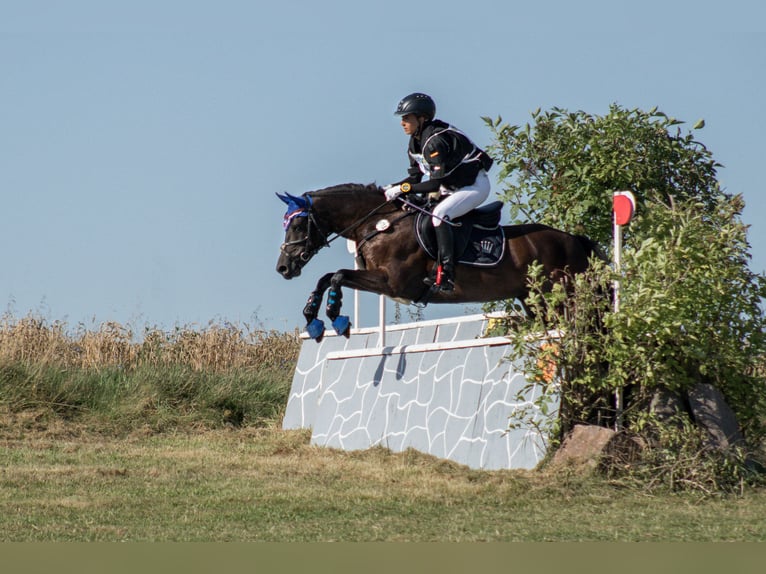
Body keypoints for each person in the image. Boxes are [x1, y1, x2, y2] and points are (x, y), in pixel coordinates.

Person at [384, 92, 493, 291]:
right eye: (402, 118)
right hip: (450, 187)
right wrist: (392, 187)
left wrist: (403, 189)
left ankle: (447, 273)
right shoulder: (414, 143)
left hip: (474, 186)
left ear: (422, 118)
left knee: (439, 215)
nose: (402, 123)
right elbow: (415, 178)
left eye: (407, 118)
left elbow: (434, 184)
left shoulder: (435, 141)